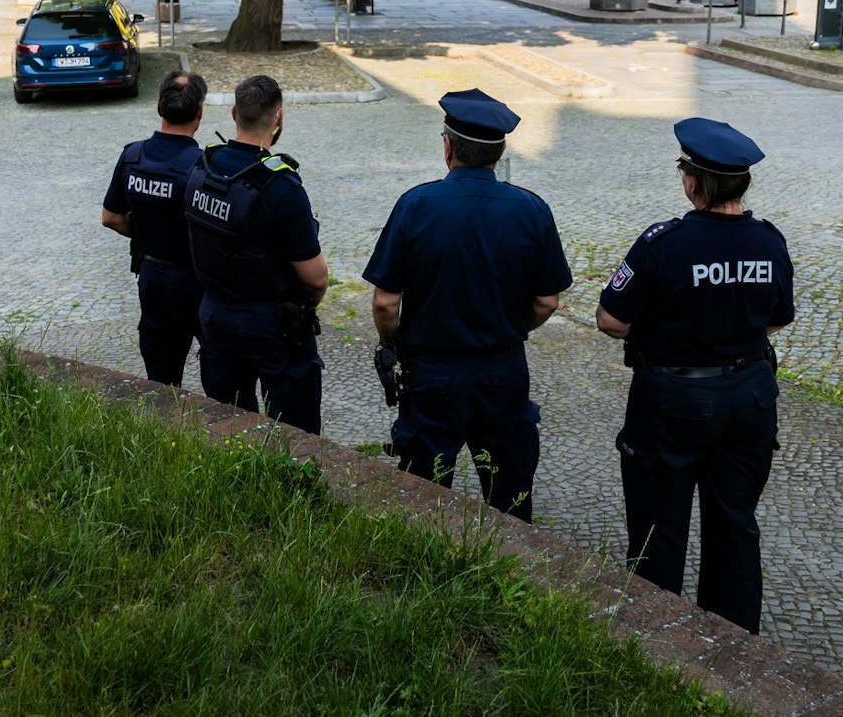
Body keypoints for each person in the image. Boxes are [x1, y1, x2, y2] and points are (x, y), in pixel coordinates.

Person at [595, 118, 794, 635]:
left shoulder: (664, 243)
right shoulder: (770, 242)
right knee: (735, 524)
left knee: (660, 524)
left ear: (693, 182)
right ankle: (733, 650)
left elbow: (611, 320)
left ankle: (659, 643)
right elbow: (776, 319)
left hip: (674, 400)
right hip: (750, 399)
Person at [364, 89, 571, 521]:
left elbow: (386, 301)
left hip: (432, 371)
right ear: (500, 152)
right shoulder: (532, 209)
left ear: (447, 147)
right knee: (509, 493)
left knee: (422, 491)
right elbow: (548, 300)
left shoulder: (415, 205)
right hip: (502, 369)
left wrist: (393, 339)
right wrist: (511, 325)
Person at [184, 75, 329, 433]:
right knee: (296, 433)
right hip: (274, 326)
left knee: (229, 427)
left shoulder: (203, 168)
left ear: (234, 112)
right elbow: (316, 279)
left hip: (216, 316)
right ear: (278, 118)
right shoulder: (281, 187)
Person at [101, 70, 211, 387]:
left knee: (161, 381)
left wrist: (148, 232)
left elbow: (110, 217)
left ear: (159, 108)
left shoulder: (133, 156)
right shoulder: (203, 167)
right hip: (196, 282)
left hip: (152, 278)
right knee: (220, 376)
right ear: (200, 112)